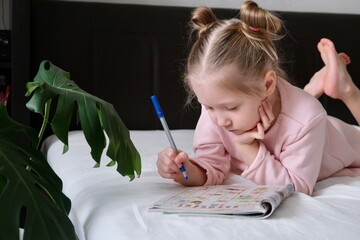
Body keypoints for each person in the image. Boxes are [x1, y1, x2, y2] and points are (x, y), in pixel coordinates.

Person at [156, 0, 360, 195]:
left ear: (269, 84)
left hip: (341, 140)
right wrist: (183, 171)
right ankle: (312, 87)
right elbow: (211, 165)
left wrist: (247, 148)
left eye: (231, 108)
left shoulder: (307, 118)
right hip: (293, 110)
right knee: (297, 106)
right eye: (208, 107)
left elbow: (296, 187)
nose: (219, 120)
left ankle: (347, 91)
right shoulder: (217, 103)